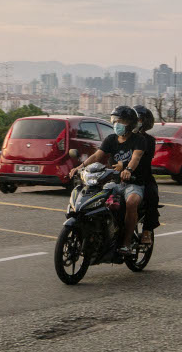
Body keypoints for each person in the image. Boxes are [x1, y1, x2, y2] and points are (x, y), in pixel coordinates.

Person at [69, 106, 145, 255]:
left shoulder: (139, 140)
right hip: (114, 182)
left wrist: (128, 170)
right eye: (115, 120)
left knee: (131, 202)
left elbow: (136, 157)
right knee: (94, 199)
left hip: (133, 183)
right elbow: (97, 156)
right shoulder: (111, 139)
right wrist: (80, 167)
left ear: (130, 123)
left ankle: (126, 243)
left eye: (120, 121)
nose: (116, 123)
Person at [132, 104, 160, 240]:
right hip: (118, 176)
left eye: (139, 119)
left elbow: (143, 160)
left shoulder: (149, 141)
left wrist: (126, 168)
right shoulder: (119, 137)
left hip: (141, 177)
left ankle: (147, 230)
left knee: (152, 195)